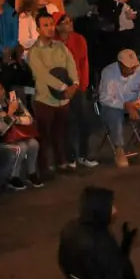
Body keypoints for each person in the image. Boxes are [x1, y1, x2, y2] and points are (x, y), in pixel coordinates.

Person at [29, 11, 79, 174]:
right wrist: (65, 88)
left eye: (51, 24)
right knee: (44, 135)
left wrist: (75, 84)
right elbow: (41, 74)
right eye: (45, 25)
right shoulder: (34, 52)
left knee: (60, 132)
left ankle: (61, 162)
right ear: (38, 29)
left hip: (63, 99)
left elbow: (71, 65)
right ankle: (44, 168)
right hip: (45, 99)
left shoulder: (60, 46)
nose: (50, 28)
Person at [99, 49, 140, 168]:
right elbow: (105, 98)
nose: (132, 70)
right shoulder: (108, 72)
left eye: (134, 66)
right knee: (114, 115)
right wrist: (125, 105)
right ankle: (119, 149)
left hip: (134, 104)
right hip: (114, 105)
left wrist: (137, 105)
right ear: (120, 64)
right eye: (129, 67)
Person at [55, 13, 97, 170]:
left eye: (70, 21)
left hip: (78, 86)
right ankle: (70, 157)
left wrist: (82, 85)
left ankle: (83, 155)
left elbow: (84, 63)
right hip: (60, 88)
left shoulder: (79, 39)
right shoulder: (54, 42)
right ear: (57, 26)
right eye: (65, 22)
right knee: (68, 123)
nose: (69, 24)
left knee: (84, 121)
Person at [0, 78, 42, 190]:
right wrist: (10, 113)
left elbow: (29, 118)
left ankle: (32, 172)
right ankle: (13, 176)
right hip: (3, 140)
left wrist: (15, 118)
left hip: (20, 134)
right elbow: (0, 130)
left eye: (1, 89)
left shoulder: (13, 100)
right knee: (21, 147)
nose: (0, 93)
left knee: (34, 143)